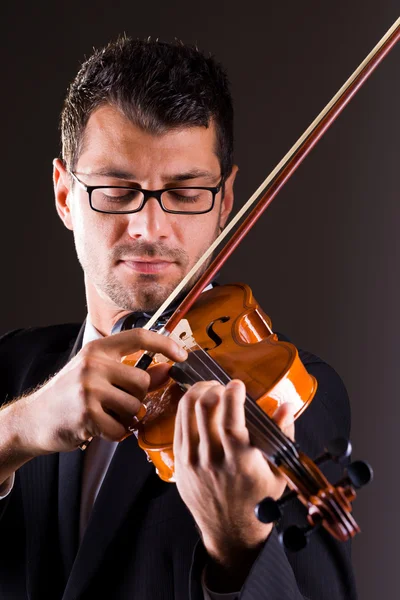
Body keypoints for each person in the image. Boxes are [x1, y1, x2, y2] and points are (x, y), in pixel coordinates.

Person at [0, 37, 356, 599]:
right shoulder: (14, 371)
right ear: (65, 195)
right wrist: (16, 431)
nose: (149, 227)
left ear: (225, 199)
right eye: (117, 191)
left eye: (186, 193)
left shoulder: (296, 395)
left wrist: (238, 543)